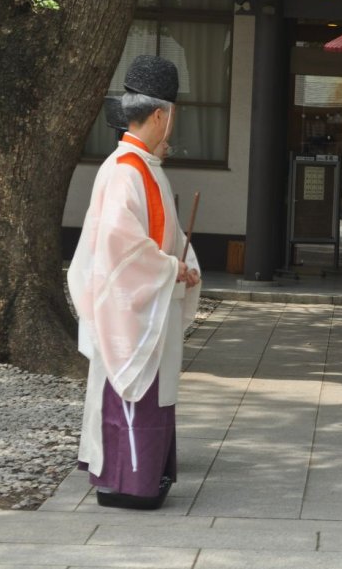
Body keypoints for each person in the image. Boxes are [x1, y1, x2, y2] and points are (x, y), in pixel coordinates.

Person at [68, 55, 201, 510]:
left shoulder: (144, 169)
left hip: (148, 303)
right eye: (173, 116)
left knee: (152, 392)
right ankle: (125, 485)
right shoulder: (125, 170)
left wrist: (185, 262)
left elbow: (168, 237)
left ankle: (146, 479)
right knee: (131, 392)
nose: (173, 126)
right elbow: (119, 246)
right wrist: (169, 268)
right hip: (128, 310)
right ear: (161, 114)